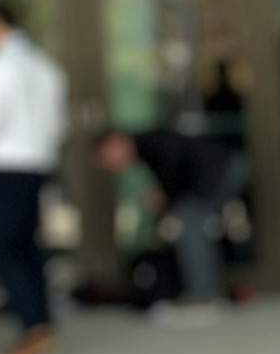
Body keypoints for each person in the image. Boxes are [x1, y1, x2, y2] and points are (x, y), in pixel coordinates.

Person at [0, 1, 66, 354]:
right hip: (36, 164)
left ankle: (33, 328)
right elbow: (58, 120)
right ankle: (41, 325)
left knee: (7, 249)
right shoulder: (43, 64)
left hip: (5, 165)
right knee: (28, 246)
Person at [93, 127, 248, 325]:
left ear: (116, 141)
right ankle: (207, 291)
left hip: (221, 171)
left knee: (192, 228)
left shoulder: (152, 142)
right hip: (215, 173)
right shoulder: (146, 148)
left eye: (109, 157)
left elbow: (176, 167)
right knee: (194, 226)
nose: (113, 164)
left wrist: (166, 197)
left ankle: (206, 296)